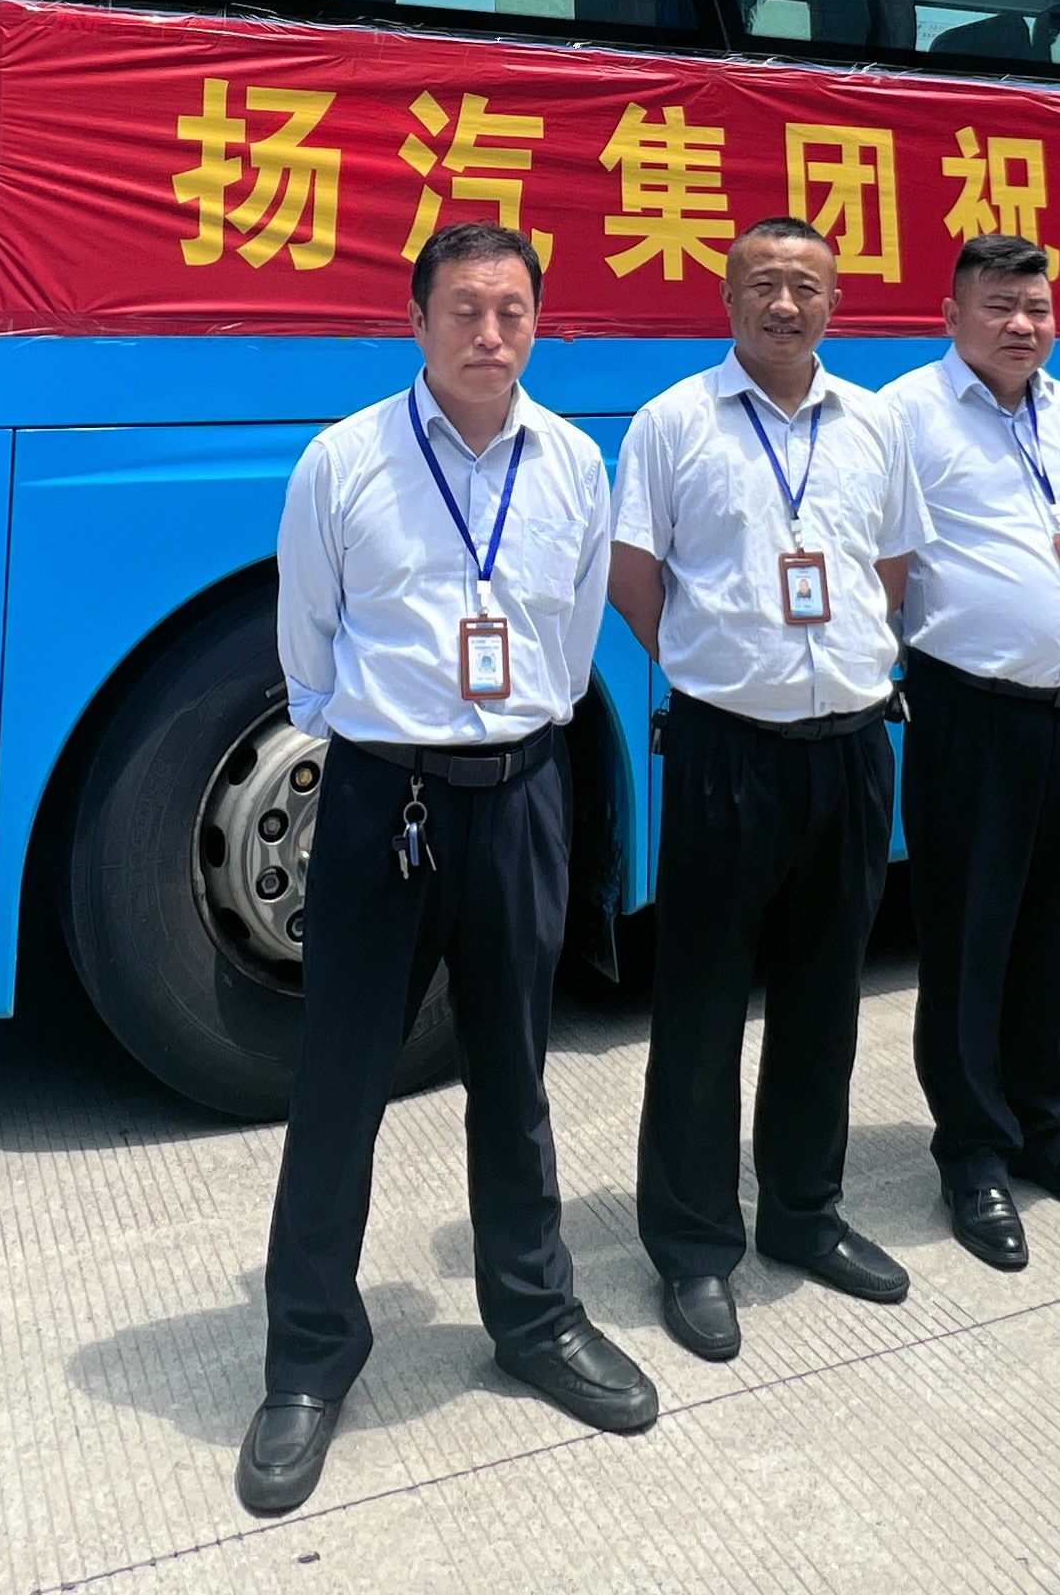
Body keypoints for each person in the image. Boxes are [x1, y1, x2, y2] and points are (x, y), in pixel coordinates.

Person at [237, 221, 657, 1519]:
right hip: (387, 801)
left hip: (522, 795)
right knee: (341, 1080)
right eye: (465, 309)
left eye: (513, 311)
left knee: (514, 1072)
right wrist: (392, 739)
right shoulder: (346, 460)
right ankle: (310, 1355)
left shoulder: (573, 461)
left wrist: (506, 733)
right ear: (415, 320)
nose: (490, 333)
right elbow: (308, 638)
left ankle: (534, 1316)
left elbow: (572, 636)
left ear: (539, 324)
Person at [608, 215, 916, 1364]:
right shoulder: (673, 422)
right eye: (764, 285)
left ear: (835, 303)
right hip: (725, 752)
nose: (785, 305)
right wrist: (715, 666)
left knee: (826, 995)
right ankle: (694, 1247)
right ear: (728, 298)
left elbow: (892, 567)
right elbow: (633, 574)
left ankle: (804, 1212)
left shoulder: (874, 423)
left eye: (806, 287)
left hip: (851, 746)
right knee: (700, 1004)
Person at [883, 230, 1060, 1273]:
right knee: (970, 937)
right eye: (999, 306)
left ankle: (1048, 1129)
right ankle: (974, 1152)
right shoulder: (906, 415)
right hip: (972, 714)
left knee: (1059, 931)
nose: (1022, 325)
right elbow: (881, 560)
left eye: (1037, 307)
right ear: (952, 316)